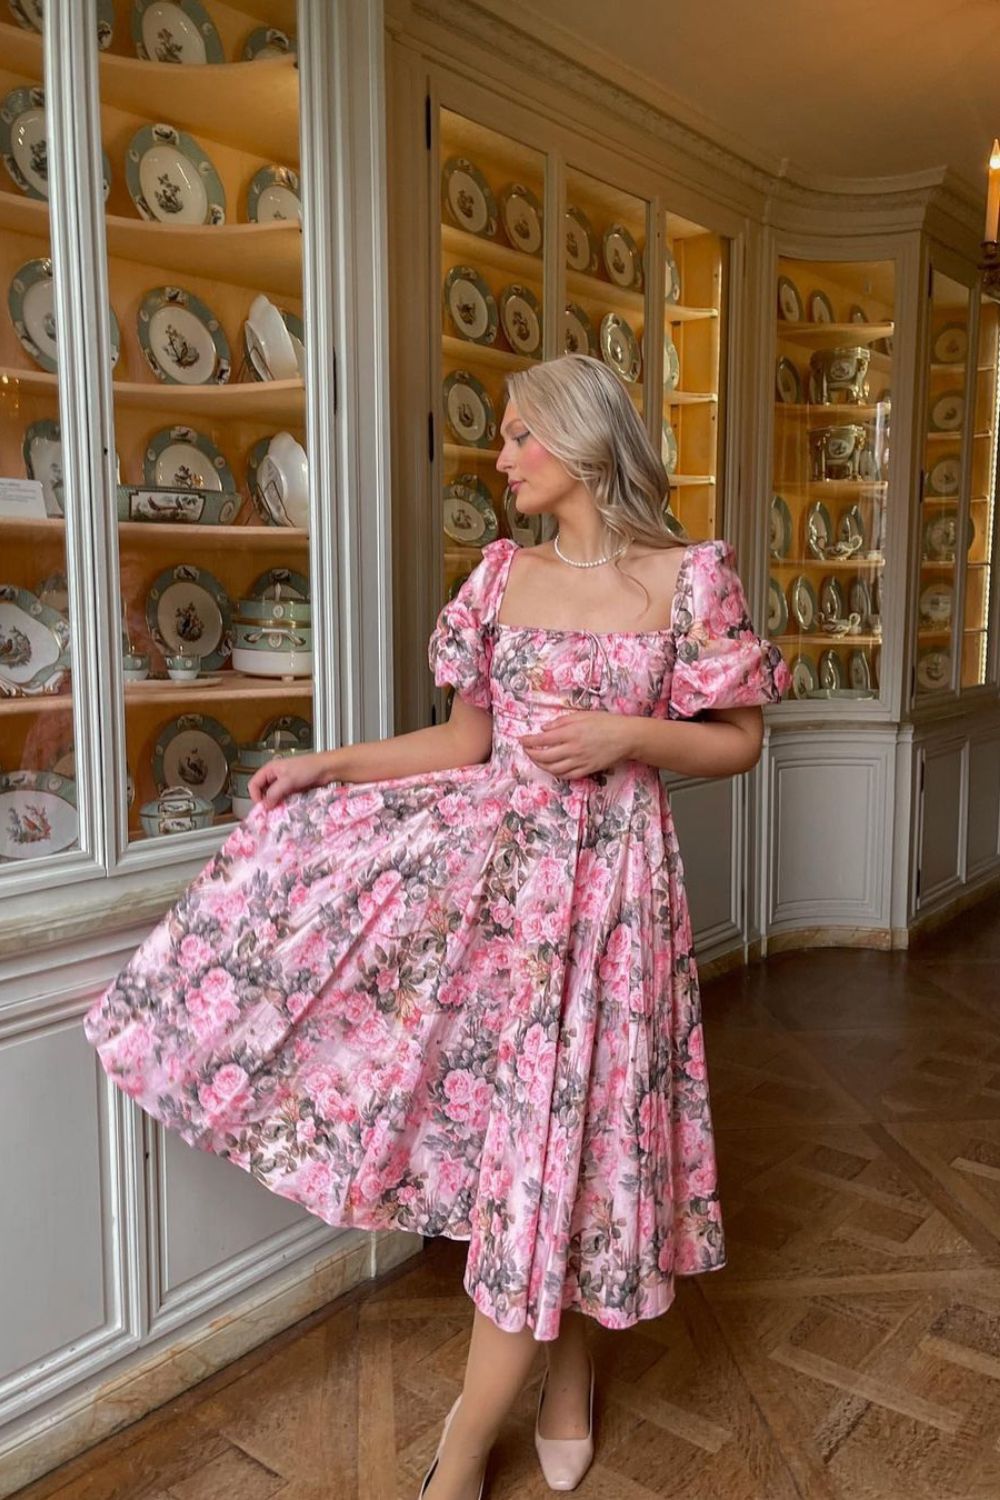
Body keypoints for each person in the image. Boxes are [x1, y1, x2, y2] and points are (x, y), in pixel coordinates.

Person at [84, 353, 790, 1500]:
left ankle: (544, 1397)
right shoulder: (498, 577)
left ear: (580, 445)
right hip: (499, 907)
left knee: (590, 1139)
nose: (499, 455)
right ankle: (489, 1430)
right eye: (502, 435)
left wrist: (627, 737)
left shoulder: (688, 575)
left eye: (519, 436)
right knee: (528, 1155)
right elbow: (462, 746)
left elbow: (740, 740)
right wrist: (329, 763)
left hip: (613, 903)